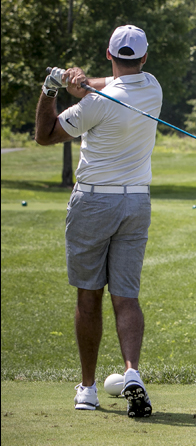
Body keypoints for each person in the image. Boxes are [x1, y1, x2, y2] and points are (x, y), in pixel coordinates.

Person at [34, 25, 160, 418]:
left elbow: (45, 134)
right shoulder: (152, 87)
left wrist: (51, 89)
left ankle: (87, 389)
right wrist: (85, 84)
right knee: (126, 297)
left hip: (94, 205)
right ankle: (132, 372)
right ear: (144, 57)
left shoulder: (96, 104)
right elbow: (119, 79)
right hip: (136, 204)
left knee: (89, 296)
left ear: (109, 54)